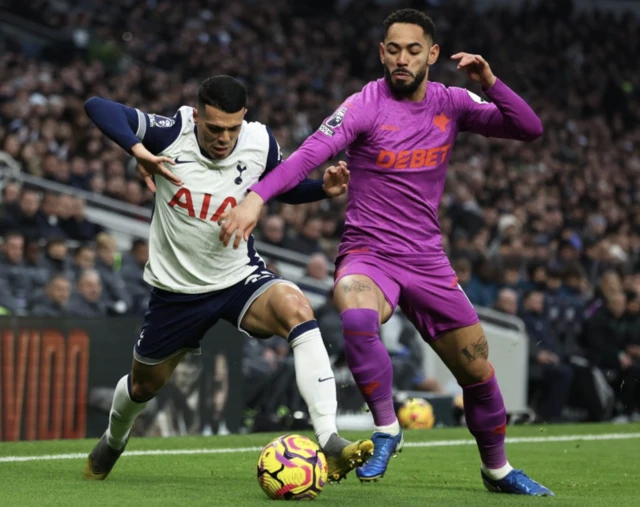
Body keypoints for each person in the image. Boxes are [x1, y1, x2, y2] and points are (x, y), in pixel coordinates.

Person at [218, 9, 552, 496]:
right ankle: (387, 428)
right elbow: (311, 153)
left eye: (413, 50)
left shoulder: (453, 101)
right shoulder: (363, 105)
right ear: (381, 52)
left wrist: (492, 82)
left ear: (432, 54)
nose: (402, 58)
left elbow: (529, 127)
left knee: (478, 373)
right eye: (393, 49)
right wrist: (257, 197)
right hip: (369, 255)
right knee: (354, 310)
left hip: (427, 261)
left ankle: (497, 470)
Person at [82, 75, 372, 481]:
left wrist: (320, 190)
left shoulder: (259, 141)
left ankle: (330, 440)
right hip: (177, 292)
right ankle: (113, 440)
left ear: (244, 118)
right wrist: (137, 150)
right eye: (214, 127)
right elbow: (97, 104)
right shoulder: (171, 133)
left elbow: (280, 186)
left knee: (297, 308)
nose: (224, 137)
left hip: (238, 279)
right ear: (197, 116)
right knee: (143, 387)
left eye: (232, 128)